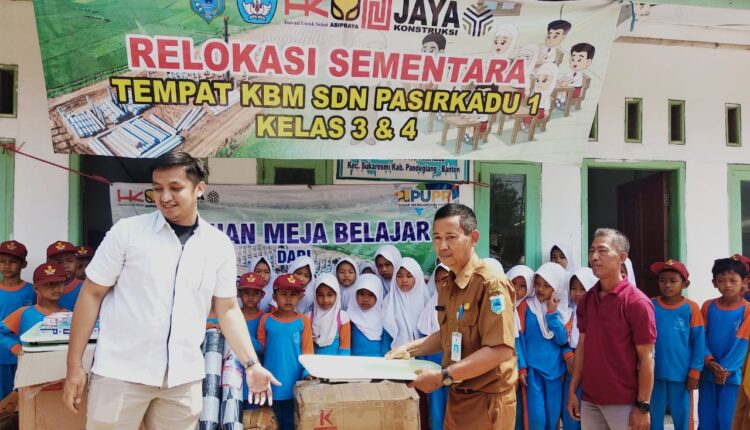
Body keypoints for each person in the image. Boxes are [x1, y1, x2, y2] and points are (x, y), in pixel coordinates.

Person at [63, 151, 278, 428]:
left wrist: (252, 364)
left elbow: (227, 309)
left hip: (183, 382)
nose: (165, 197)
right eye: (157, 189)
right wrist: (74, 366)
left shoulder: (217, 245)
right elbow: (91, 293)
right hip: (120, 375)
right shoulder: (127, 232)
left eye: (175, 188)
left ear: (199, 188)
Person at [387, 203, 517, 429]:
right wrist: (408, 350)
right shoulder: (448, 284)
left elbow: (500, 349)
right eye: (437, 238)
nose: (442, 246)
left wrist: (442, 377)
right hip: (457, 395)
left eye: (451, 237)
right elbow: (448, 335)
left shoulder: (491, 283)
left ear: (473, 238)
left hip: (487, 401)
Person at [567, 228, 656, 430]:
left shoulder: (636, 303)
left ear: (621, 257)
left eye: (602, 251)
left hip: (625, 403)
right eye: (591, 251)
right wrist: (573, 391)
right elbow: (582, 347)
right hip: (590, 401)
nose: (594, 257)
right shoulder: (587, 300)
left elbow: (647, 358)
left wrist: (643, 406)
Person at [648, 260, 704, 430]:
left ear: (685, 284)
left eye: (673, 281)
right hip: (654, 372)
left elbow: (699, 341)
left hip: (681, 373)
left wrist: (695, 371)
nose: (667, 285)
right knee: (654, 414)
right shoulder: (651, 304)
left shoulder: (691, 308)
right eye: (663, 280)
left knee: (683, 415)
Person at [257, 274, 314, 430]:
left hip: (294, 386)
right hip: (270, 386)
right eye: (283, 294)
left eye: (293, 294)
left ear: (300, 297)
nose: (288, 299)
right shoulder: (266, 319)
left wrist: (307, 374)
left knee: (291, 424)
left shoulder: (303, 321)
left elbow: (307, 353)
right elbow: (260, 348)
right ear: (274, 296)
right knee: (271, 424)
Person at [698, 258, 750, 430]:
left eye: (733, 280)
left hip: (733, 376)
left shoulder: (747, 309)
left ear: (744, 281)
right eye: (721, 280)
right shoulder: (708, 306)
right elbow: (701, 338)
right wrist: (709, 361)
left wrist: (724, 370)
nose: (727, 285)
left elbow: (742, 344)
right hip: (708, 373)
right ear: (714, 282)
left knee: (729, 421)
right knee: (707, 420)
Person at [522, 262, 570, 430]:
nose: (540, 289)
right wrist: (522, 367)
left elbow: (562, 339)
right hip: (533, 371)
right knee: (536, 418)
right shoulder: (526, 306)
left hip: (555, 372)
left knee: (552, 417)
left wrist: (551, 313)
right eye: (537, 283)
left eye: (546, 285)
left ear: (556, 287)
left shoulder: (563, 311)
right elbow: (520, 339)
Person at [0, 263, 68, 356]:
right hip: (30, 363)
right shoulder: (25, 313)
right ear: (36, 288)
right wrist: (14, 346)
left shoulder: (69, 316)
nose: (56, 287)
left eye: (60, 282)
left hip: (61, 363)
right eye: (50, 284)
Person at [562, 267, 598, 430]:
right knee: (571, 409)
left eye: (583, 288)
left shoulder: (598, 314)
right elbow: (561, 339)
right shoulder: (567, 312)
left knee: (591, 412)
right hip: (572, 366)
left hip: (592, 367)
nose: (577, 293)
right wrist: (568, 354)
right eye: (573, 288)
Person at [417, 263, 451, 430]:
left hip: (456, 365)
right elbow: (424, 339)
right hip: (433, 365)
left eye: (445, 279)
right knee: (436, 411)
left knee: (456, 408)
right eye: (437, 280)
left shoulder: (462, 304)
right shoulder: (430, 307)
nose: (441, 284)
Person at [0, 240, 35, 399]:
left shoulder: (33, 290)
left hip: (23, 354)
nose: (7, 265)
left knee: (22, 399)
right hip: (1, 354)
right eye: (2, 261)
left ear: (23, 264)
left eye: (13, 261)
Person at [506, 265, 534, 430]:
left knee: (518, 408)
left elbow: (518, 342)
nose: (516, 289)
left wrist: (521, 368)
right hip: (503, 367)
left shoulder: (527, 308)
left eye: (522, 285)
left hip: (517, 367)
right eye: (513, 283)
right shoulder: (503, 305)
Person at [382, 257, 431, 350]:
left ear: (417, 277)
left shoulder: (425, 301)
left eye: (409, 276)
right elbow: (386, 333)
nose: (404, 280)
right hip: (396, 353)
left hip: (422, 353)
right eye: (399, 276)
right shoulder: (389, 301)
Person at [308, 273, 350, 356]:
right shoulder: (308, 317)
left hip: (336, 363)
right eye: (320, 295)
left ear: (337, 295)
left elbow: (345, 347)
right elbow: (306, 347)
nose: (325, 300)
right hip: (313, 362)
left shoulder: (343, 317)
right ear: (315, 295)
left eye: (330, 295)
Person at [348, 273, 387, 357]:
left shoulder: (384, 318)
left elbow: (386, 346)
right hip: (354, 361)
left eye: (371, 295)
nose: (365, 299)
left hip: (378, 361)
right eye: (361, 294)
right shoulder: (349, 318)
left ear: (378, 295)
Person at [46, 240, 82, 310]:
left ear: (77, 263)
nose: (65, 266)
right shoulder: (43, 289)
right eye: (59, 262)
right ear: (48, 264)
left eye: (70, 261)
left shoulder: (85, 287)